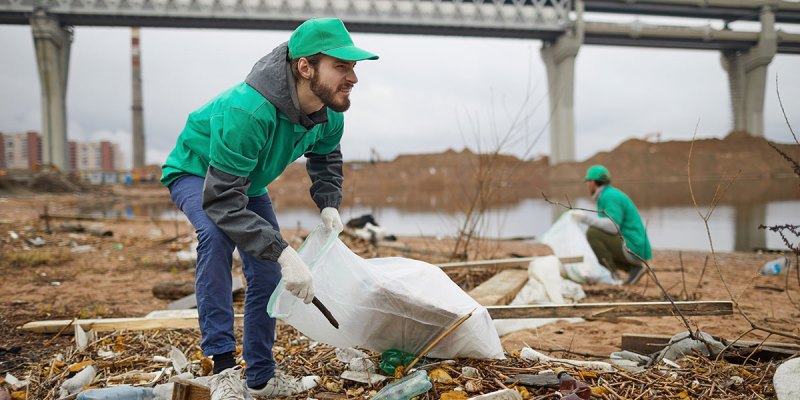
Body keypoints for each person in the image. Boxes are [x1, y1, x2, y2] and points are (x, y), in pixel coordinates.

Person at [160, 18, 378, 398]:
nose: (353, 78)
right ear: (305, 67)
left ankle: (260, 377)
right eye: (341, 66)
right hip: (197, 171)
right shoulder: (249, 111)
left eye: (353, 67)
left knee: (265, 270)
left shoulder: (330, 112)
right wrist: (284, 250)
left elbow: (325, 157)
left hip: (245, 181)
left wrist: (328, 204)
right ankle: (223, 371)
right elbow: (222, 198)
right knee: (215, 236)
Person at [571, 165, 652, 285]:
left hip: (634, 248)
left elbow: (613, 227)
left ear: (592, 182)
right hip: (635, 247)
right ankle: (633, 269)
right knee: (597, 235)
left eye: (587, 181)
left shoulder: (609, 196)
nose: (587, 184)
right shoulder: (608, 194)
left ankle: (613, 275)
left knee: (593, 234)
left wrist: (585, 218)